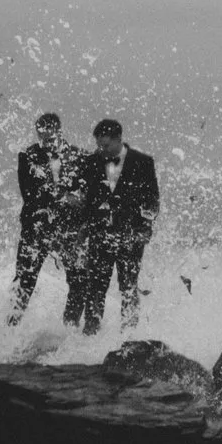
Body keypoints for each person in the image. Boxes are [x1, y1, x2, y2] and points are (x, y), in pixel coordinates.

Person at [63, 117, 158, 334]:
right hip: (99, 235)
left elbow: (152, 199)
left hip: (131, 236)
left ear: (119, 140)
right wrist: (71, 201)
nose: (101, 150)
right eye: (98, 145)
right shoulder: (89, 162)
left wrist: (145, 228)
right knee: (95, 289)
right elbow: (73, 191)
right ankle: (91, 334)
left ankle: (129, 336)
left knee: (128, 288)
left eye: (105, 145)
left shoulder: (143, 162)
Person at [8, 112, 76, 324]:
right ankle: (9, 327)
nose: (45, 142)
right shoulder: (27, 156)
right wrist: (60, 196)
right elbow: (29, 195)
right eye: (41, 137)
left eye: (49, 137)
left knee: (77, 280)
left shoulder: (76, 156)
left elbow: (82, 195)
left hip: (67, 228)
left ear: (59, 131)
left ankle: (71, 329)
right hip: (35, 228)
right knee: (24, 279)